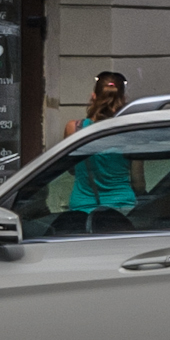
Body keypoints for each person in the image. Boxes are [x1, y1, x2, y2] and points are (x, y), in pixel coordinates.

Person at [64, 71, 138, 228]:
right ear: (124, 99)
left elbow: (71, 169)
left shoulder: (74, 129)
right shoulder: (131, 133)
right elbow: (139, 183)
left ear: (93, 96)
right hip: (123, 209)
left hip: (82, 209)